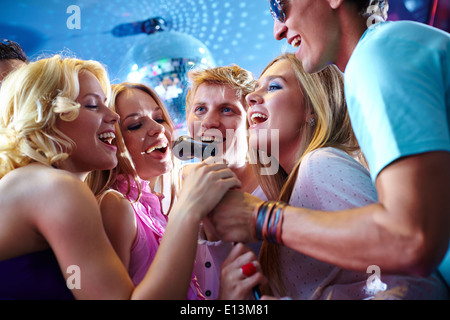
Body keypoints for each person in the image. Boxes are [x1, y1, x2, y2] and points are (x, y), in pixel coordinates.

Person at [210, 0, 450, 282]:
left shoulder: (376, 57)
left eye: (279, 6)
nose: (277, 29)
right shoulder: (387, 49)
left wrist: (262, 218)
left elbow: (411, 241)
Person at [0, 55, 239, 299]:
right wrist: (189, 209)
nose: (113, 118)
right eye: (93, 105)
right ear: (47, 117)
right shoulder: (56, 188)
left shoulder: (41, 184)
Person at [183, 65, 266, 299]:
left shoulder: (275, 189)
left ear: (251, 121)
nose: (209, 121)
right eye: (200, 109)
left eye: (227, 110)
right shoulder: (178, 191)